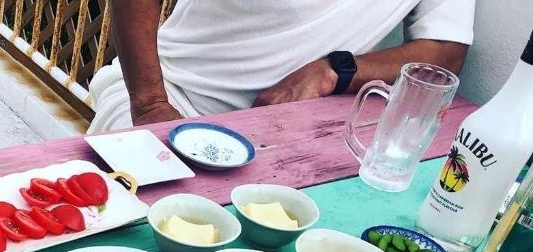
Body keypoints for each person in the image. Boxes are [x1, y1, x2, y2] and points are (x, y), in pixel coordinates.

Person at [89, 0, 475, 133]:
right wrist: (151, 104)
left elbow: (446, 51)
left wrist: (336, 70)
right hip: (175, 97)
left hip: (294, 130)